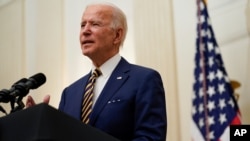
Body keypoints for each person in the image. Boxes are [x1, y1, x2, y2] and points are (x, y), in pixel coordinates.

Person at [26, 2, 167, 141]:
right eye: (82, 25)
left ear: (117, 35)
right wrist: (41, 124)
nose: (85, 31)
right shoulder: (69, 93)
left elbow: (150, 137)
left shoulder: (144, 80)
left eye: (95, 24)